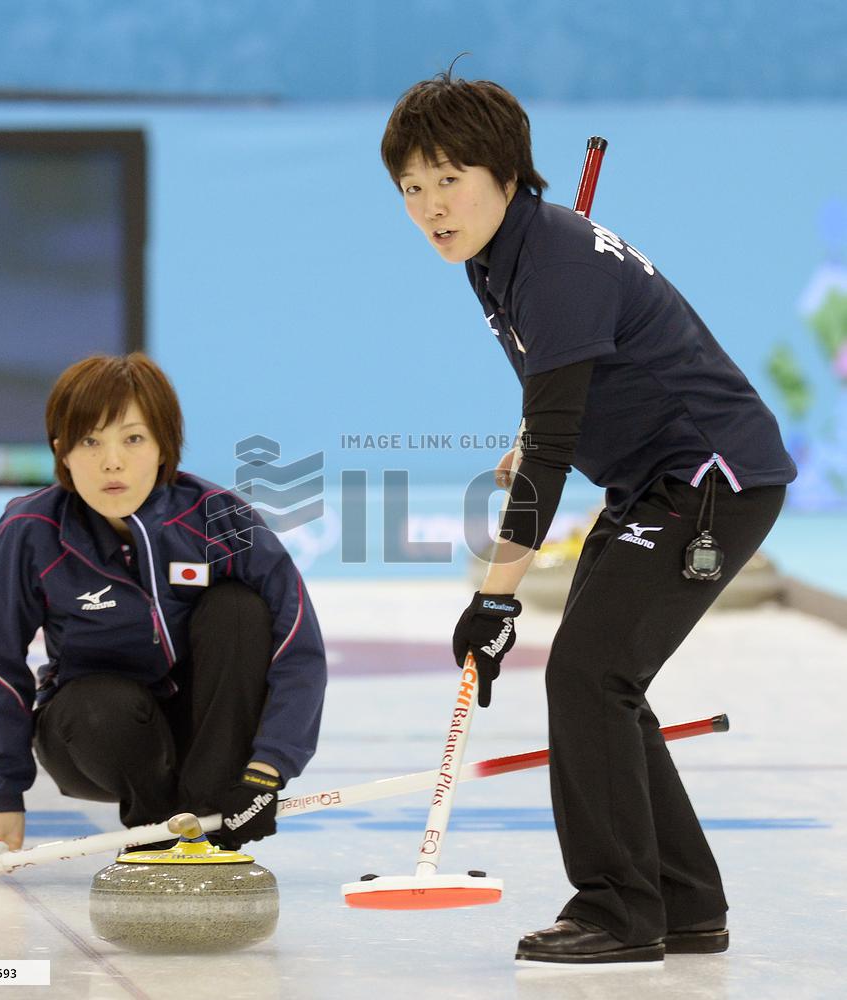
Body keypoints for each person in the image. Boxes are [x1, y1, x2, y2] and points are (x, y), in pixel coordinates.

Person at [381, 71, 795, 969]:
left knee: (588, 673)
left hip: (709, 478)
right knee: (604, 680)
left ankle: (618, 910)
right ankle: (684, 902)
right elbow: (565, 389)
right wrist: (534, 432)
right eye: (411, 187)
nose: (430, 206)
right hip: (651, 477)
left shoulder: (555, 263)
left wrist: (496, 599)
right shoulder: (498, 255)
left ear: (503, 172)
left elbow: (552, 452)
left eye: (448, 179)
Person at [0, 353, 326, 855]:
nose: (111, 461)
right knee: (102, 706)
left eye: (133, 439)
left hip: (203, 734)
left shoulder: (219, 518)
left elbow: (298, 642)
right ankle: (152, 835)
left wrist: (268, 770)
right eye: (89, 441)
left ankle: (207, 824)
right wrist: (4, 795)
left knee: (238, 610)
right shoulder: (32, 532)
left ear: (163, 447)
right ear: (61, 452)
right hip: (89, 731)